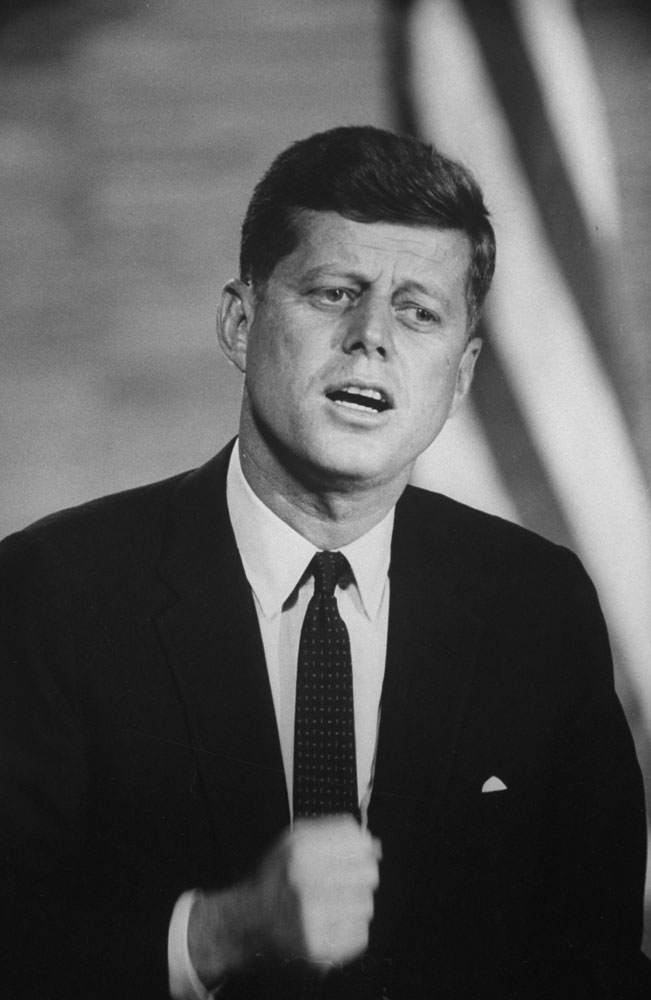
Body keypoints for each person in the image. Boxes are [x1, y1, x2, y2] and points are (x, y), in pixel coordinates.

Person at [1, 125, 649, 1000]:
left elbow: (594, 952)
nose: (370, 337)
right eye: (334, 291)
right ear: (241, 320)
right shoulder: (52, 594)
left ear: (458, 378)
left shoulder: (538, 603)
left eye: (417, 310)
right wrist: (217, 933)